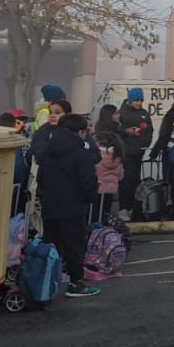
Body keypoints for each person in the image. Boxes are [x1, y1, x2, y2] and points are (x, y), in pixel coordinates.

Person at [36, 113, 100, 297]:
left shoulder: (48, 151)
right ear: (80, 131)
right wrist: (91, 198)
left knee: (51, 246)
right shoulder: (81, 153)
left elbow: (41, 179)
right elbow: (88, 182)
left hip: (50, 206)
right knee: (74, 247)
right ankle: (76, 283)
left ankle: (47, 283)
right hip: (73, 207)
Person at [116, 89, 154, 219]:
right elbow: (116, 128)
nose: (139, 103)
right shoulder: (122, 113)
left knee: (135, 180)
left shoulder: (144, 113)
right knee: (125, 180)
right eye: (136, 100)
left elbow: (149, 130)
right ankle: (123, 208)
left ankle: (133, 208)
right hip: (125, 151)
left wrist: (145, 144)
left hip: (138, 151)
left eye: (141, 100)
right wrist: (126, 131)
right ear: (130, 100)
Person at [92, 132, 122, 223]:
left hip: (97, 187)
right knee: (106, 211)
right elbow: (120, 175)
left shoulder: (95, 155)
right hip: (111, 188)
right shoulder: (117, 156)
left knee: (95, 212)